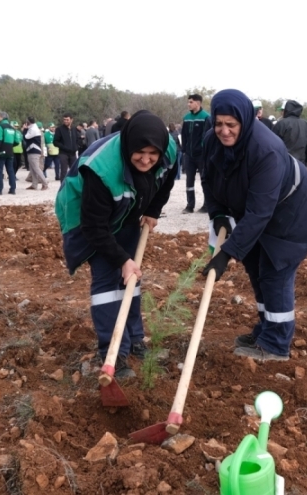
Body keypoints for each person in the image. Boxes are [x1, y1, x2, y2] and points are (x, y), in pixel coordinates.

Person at [56, 110, 178, 379]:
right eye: (139, 153)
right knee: (107, 281)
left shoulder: (168, 149)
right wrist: (122, 259)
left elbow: (167, 178)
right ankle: (113, 353)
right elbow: (94, 228)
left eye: (152, 154)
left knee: (131, 279)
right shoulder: (102, 171)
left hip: (126, 211)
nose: (146, 160)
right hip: (87, 216)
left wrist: (154, 210)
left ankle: (134, 340)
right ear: (129, 145)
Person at [200, 89, 307, 362]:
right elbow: (208, 178)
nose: (224, 131)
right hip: (255, 211)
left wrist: (226, 254)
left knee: (274, 272)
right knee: (255, 268)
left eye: (231, 124)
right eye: (219, 123)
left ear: (245, 120)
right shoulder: (211, 142)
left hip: (292, 213)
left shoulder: (266, 150)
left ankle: (277, 344)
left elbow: (259, 213)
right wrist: (218, 214)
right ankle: (267, 329)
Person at [180, 94, 212, 213]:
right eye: (188, 102)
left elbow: (208, 136)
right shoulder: (186, 117)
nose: (188, 104)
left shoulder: (206, 117)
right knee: (189, 180)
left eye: (191, 102)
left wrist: (205, 151)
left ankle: (207, 205)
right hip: (189, 155)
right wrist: (184, 150)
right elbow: (184, 135)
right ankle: (190, 205)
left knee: (205, 180)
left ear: (198, 103)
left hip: (202, 156)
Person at [0, 111, 17, 195]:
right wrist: (10, 146)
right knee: (10, 170)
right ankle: (12, 189)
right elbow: (17, 141)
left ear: (2, 117)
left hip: (1, 151)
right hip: (10, 151)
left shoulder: (0, 126)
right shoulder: (12, 128)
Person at [23, 117, 49, 191]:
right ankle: (34, 185)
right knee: (32, 169)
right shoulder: (32, 128)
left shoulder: (33, 129)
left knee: (36, 168)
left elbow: (26, 137)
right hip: (32, 150)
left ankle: (45, 183)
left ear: (28, 122)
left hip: (34, 151)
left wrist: (24, 129)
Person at [54, 113, 79, 181]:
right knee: (63, 172)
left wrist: (76, 147)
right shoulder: (59, 129)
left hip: (73, 153)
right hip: (63, 153)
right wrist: (64, 147)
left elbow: (77, 139)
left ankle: (74, 187)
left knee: (75, 170)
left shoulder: (74, 129)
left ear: (71, 120)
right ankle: (63, 187)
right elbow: (55, 142)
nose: (65, 121)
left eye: (67, 120)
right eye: (64, 120)